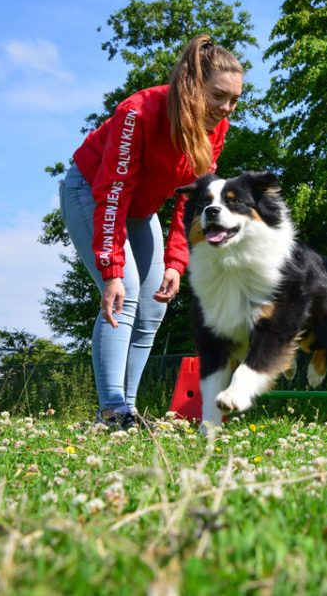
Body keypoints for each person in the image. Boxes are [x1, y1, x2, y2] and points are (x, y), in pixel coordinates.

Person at [60, 34, 243, 430]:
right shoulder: (138, 112)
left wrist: (177, 261)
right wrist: (110, 268)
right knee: (123, 289)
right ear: (193, 85)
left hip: (141, 212)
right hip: (92, 192)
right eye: (218, 96)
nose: (226, 109)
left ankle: (127, 407)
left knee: (155, 303)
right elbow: (112, 191)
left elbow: (192, 198)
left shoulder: (216, 129)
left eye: (234, 100)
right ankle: (111, 411)